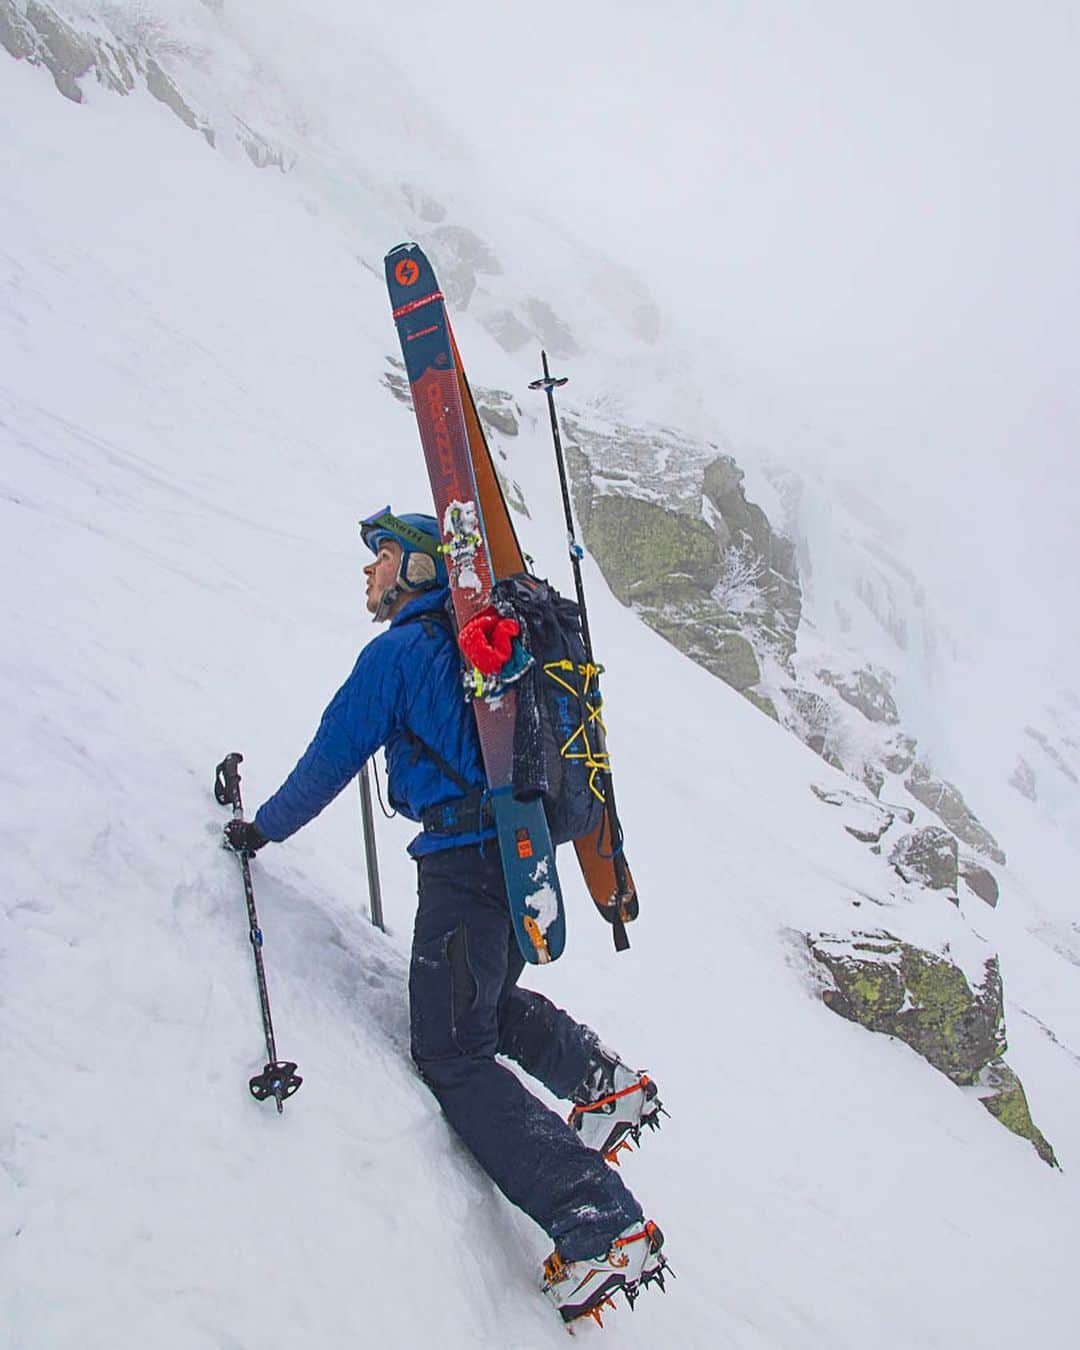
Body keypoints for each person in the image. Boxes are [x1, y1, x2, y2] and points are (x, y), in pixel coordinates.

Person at [223, 508, 668, 1325]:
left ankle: (599, 1222)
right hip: (516, 863)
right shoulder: (483, 656)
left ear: (425, 568)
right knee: (484, 1010)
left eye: (384, 555)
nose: (369, 572)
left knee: (452, 1054)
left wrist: (261, 830)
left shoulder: (400, 653)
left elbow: (332, 754)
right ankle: (597, 1082)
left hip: (464, 870)